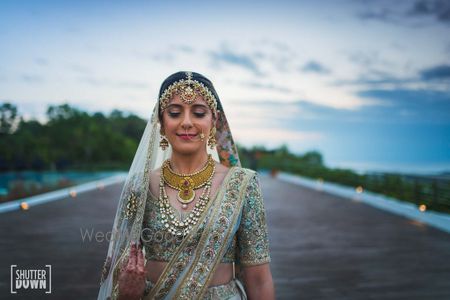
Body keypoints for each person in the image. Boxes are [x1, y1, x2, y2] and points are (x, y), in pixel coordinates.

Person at [97, 71, 275, 300]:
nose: (187, 122)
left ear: (215, 121)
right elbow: (118, 272)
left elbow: (259, 279)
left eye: (199, 113)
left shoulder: (243, 184)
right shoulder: (140, 186)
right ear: (161, 122)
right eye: (174, 113)